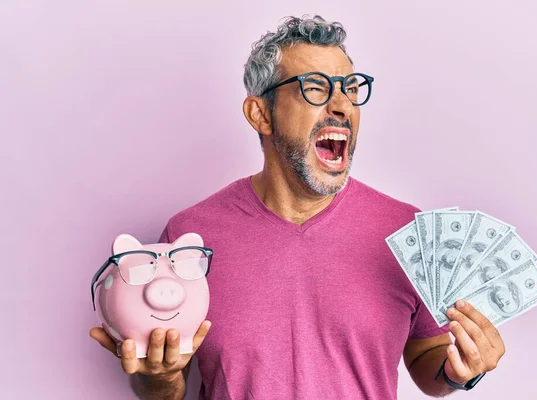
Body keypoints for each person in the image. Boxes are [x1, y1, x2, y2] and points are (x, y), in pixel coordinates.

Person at [90, 15, 506, 400]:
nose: (342, 105)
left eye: (350, 88)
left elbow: (425, 361)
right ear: (260, 114)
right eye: (316, 87)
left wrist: (459, 371)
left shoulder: (405, 230)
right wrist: (159, 377)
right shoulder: (191, 237)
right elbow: (164, 385)